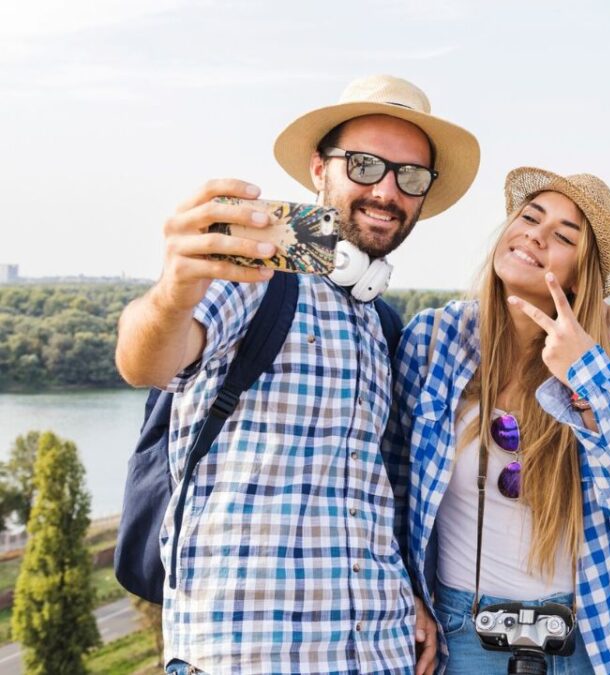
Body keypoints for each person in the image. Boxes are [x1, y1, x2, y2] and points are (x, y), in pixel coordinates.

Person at [114, 75, 479, 675]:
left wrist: (408, 595)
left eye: (409, 177)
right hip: (250, 656)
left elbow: (371, 496)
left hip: (382, 653)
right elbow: (146, 360)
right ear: (319, 169)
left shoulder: (383, 324)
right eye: (363, 165)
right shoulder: (254, 281)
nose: (386, 190)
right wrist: (174, 293)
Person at [394, 167, 610, 675]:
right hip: (462, 635)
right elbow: (392, 488)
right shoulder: (432, 339)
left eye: (564, 236)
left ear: (578, 274)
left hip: (584, 637)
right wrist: (406, 596)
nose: (536, 235)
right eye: (529, 217)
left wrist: (587, 378)